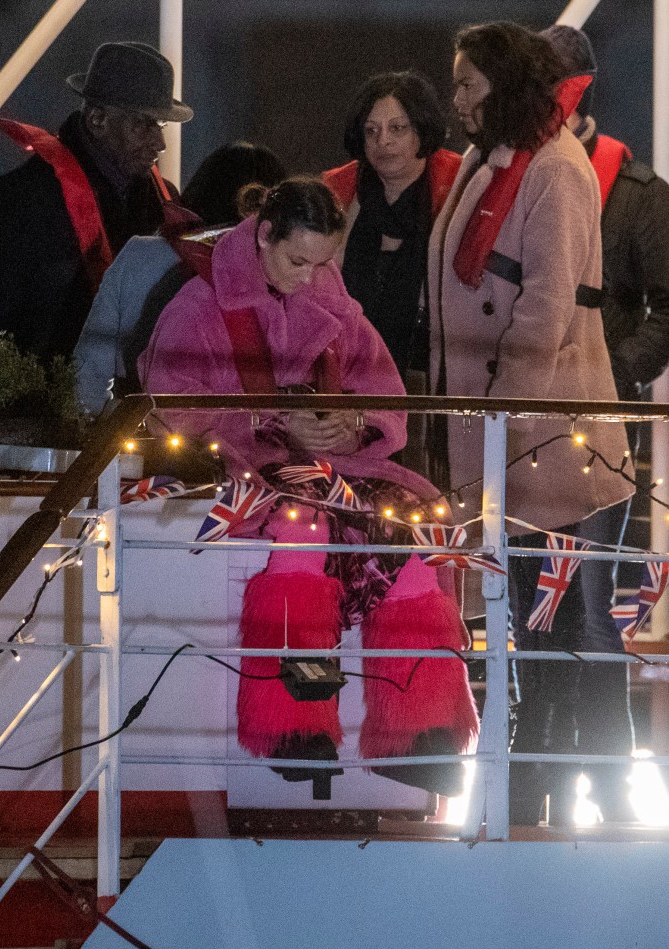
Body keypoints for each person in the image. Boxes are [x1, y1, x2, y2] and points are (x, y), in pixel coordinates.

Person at [138, 176, 479, 799]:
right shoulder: (197, 303)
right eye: (298, 260)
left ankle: (419, 733)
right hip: (246, 472)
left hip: (339, 471)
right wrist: (271, 423)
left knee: (417, 528)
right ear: (264, 235)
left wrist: (352, 428)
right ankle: (295, 729)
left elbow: (386, 399)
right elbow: (172, 413)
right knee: (305, 529)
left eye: (322, 262)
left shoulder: (333, 297)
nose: (308, 276)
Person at [430, 21, 634, 824]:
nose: (457, 101)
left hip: (555, 448)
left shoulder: (555, 169)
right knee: (529, 626)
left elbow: (545, 310)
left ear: (505, 87)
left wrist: (496, 431)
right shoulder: (494, 161)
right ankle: (536, 785)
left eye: (468, 85)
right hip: (510, 440)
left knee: (578, 626)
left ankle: (600, 792)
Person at [543, 24, 669, 822]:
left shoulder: (638, 192)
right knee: (531, 608)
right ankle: (536, 787)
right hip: (523, 425)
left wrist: (613, 368)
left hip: (601, 430)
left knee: (588, 609)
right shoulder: (505, 180)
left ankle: (608, 796)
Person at [0, 41, 192, 362]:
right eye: (143, 124)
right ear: (97, 119)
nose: (160, 142)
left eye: (160, 124)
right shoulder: (18, 201)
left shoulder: (166, 203)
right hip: (42, 404)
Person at [73, 141, 286, 416]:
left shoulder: (140, 256)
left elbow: (89, 371)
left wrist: (106, 434)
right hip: (254, 434)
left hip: (143, 430)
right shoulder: (281, 272)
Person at [323, 71, 461, 484]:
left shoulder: (459, 188)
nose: (383, 141)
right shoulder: (337, 194)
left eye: (397, 128)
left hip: (431, 376)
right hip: (346, 379)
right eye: (372, 130)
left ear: (422, 132)